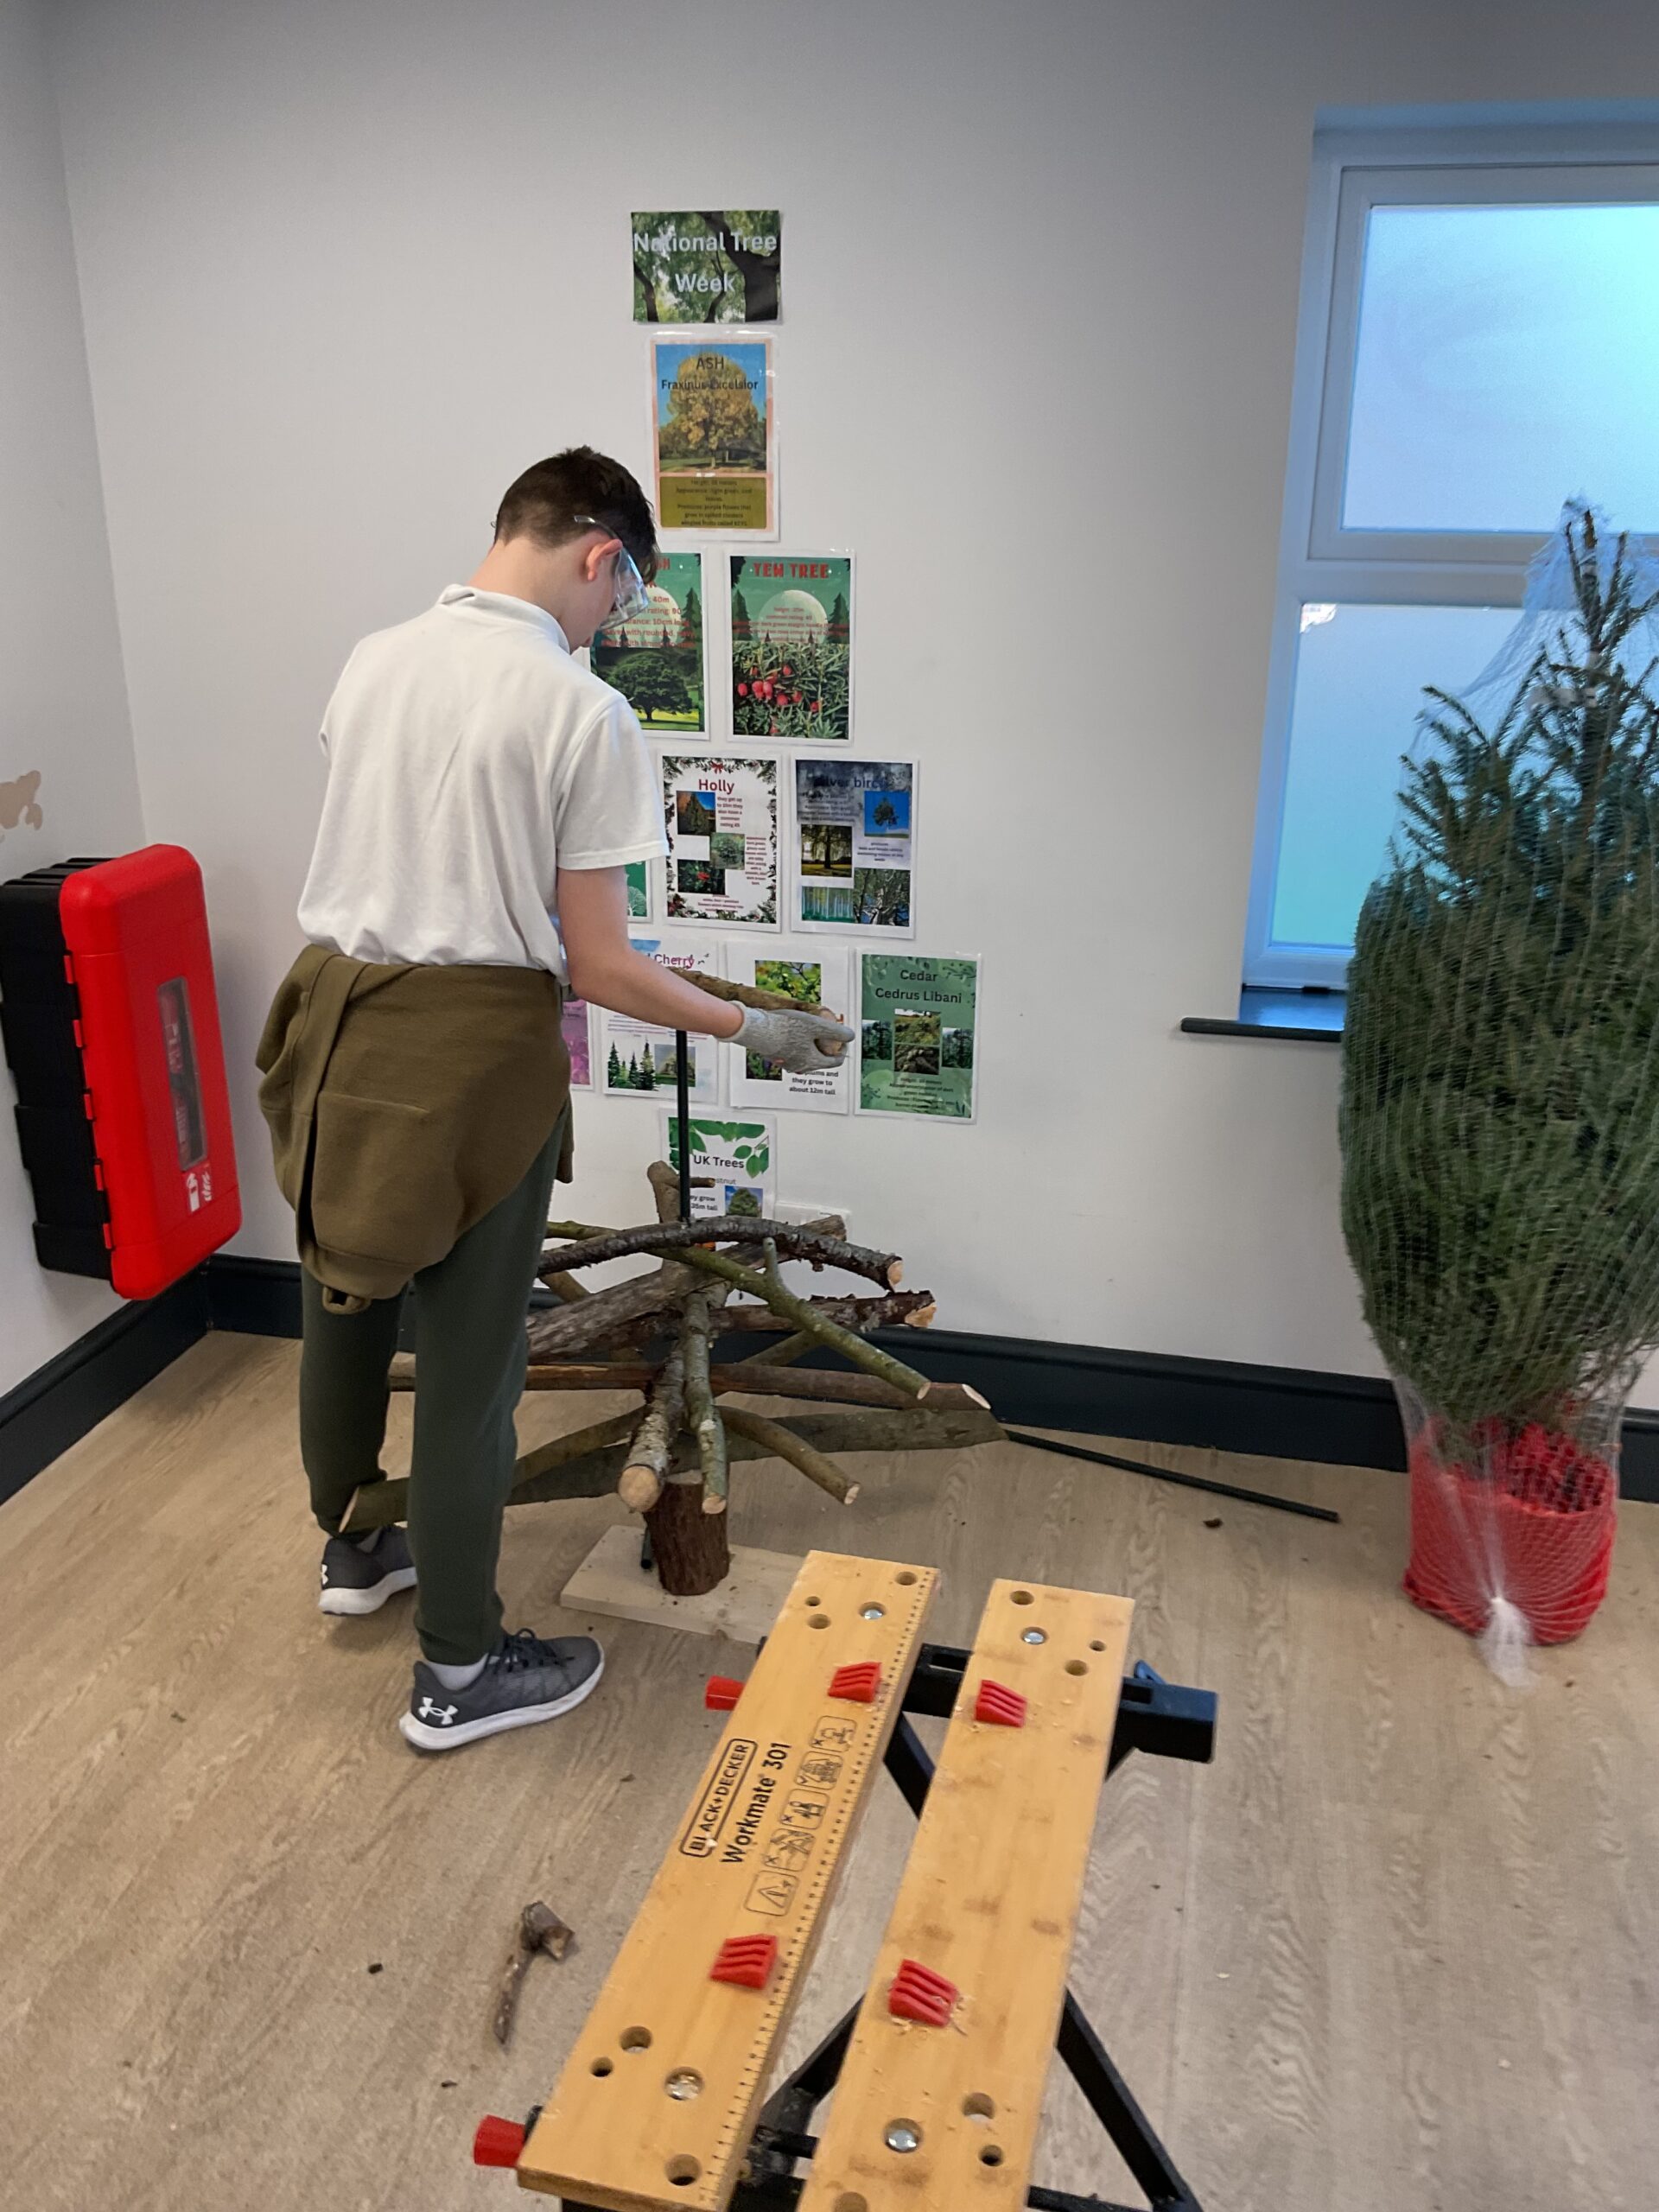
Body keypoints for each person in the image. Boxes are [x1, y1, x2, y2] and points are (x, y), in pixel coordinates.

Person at [257, 448, 850, 1752]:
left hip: (328, 1021)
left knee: (343, 1306)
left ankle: (357, 1551)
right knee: (475, 1371)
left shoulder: (374, 658)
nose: (612, 624)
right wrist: (757, 1025)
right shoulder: (581, 711)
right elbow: (599, 964)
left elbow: (422, 862)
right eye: (621, 599)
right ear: (600, 557)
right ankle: (461, 1674)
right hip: (466, 1054)